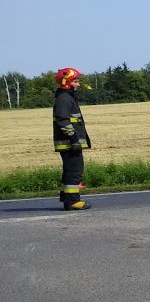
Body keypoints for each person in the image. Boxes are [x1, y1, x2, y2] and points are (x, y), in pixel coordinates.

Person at [52, 67, 91, 210]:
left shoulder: (66, 97)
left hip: (70, 143)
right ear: (67, 82)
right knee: (74, 171)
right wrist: (74, 138)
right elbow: (63, 121)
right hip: (69, 143)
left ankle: (67, 199)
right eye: (75, 81)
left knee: (70, 171)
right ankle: (73, 201)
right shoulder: (64, 98)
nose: (78, 84)